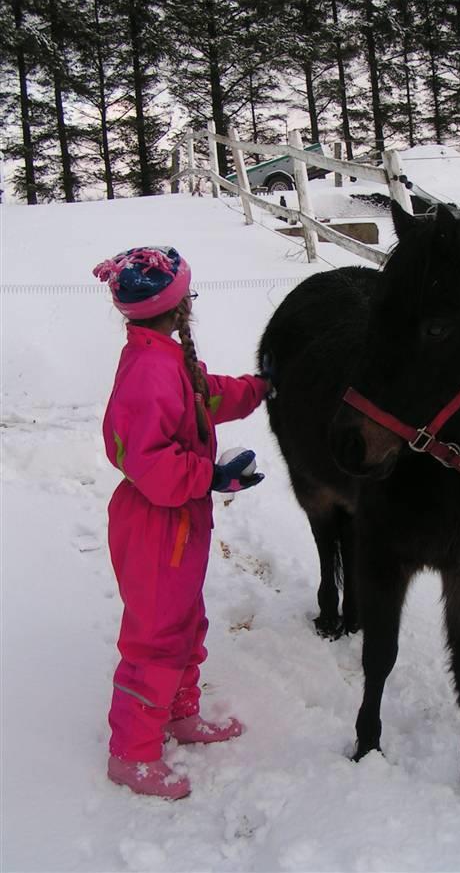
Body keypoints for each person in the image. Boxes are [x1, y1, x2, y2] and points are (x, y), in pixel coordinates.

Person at [93, 246, 271, 800]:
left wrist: (261, 387)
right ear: (176, 307)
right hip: (155, 523)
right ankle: (132, 754)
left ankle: (177, 715)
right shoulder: (148, 370)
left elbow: (206, 395)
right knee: (155, 637)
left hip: (178, 522)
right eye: (187, 296)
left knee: (184, 622)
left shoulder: (165, 356)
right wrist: (209, 477)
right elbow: (148, 463)